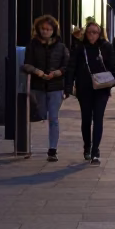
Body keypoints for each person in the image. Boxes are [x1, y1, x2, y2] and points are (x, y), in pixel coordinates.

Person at [67, 21, 115, 163]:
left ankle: (96, 150)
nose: (92, 35)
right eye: (89, 32)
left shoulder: (106, 47)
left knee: (98, 118)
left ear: (100, 33)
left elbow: (113, 67)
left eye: (95, 32)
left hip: (101, 89)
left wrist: (111, 83)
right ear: (85, 33)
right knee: (86, 118)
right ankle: (87, 146)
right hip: (84, 88)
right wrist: (69, 86)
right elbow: (72, 67)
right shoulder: (79, 48)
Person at [21, 15, 70, 162]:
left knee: (53, 117)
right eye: (43, 29)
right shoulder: (32, 45)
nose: (45, 31)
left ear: (54, 30)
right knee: (41, 114)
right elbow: (26, 64)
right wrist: (37, 71)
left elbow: (67, 65)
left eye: (48, 29)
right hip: (38, 86)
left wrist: (58, 72)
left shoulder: (61, 47)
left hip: (56, 86)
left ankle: (52, 150)